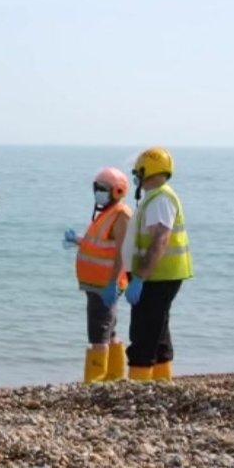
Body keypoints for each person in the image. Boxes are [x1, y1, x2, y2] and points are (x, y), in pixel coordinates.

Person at [122, 147, 192, 382]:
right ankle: (163, 381)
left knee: (144, 330)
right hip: (160, 275)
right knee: (159, 329)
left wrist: (140, 277)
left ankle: (139, 382)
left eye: (138, 172)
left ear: (147, 170)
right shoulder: (157, 197)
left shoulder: (160, 199)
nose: (136, 178)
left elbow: (160, 239)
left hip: (158, 277)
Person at [63, 168, 132, 383]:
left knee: (99, 333)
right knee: (109, 330)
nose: (98, 193)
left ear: (117, 191)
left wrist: (112, 283)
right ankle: (113, 376)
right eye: (96, 189)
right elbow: (101, 246)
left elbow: (123, 251)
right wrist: (78, 241)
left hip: (105, 285)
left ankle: (96, 380)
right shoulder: (107, 214)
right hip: (97, 284)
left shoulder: (120, 215)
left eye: (102, 189)